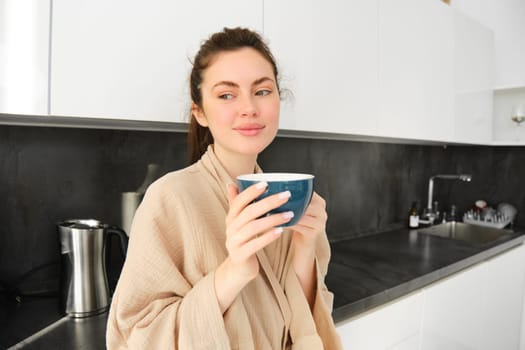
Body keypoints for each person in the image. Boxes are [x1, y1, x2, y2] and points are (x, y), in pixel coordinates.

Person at [106, 27, 343, 350]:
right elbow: (136, 338)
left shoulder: (290, 200)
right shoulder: (168, 199)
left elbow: (306, 322)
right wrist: (234, 271)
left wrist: (303, 247)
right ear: (200, 112)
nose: (249, 108)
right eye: (226, 95)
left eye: (262, 91)